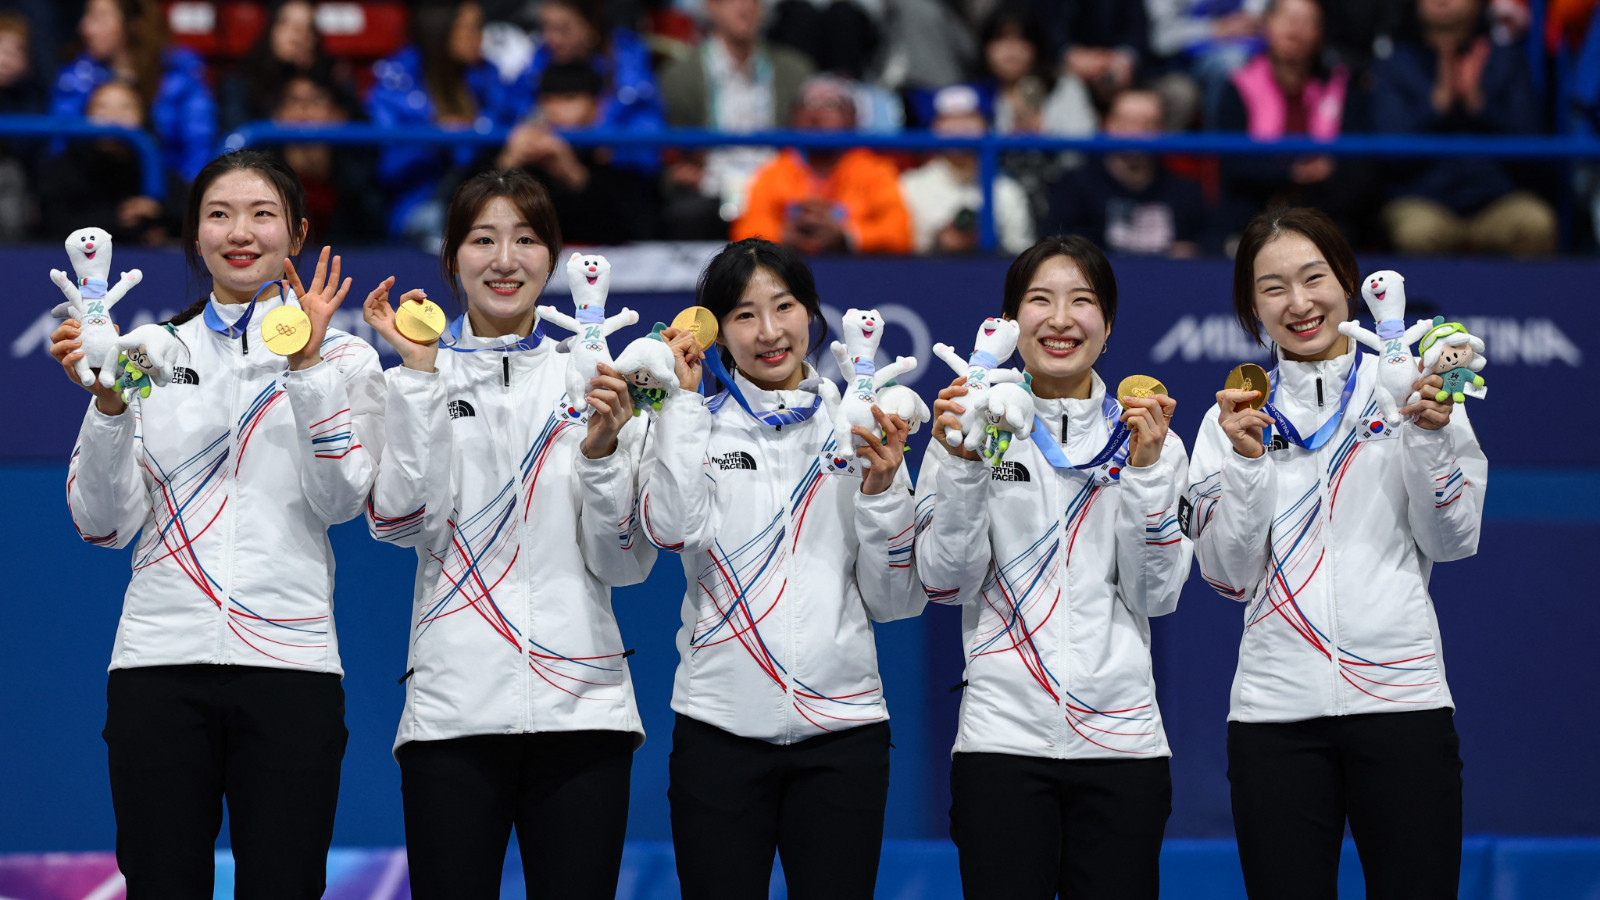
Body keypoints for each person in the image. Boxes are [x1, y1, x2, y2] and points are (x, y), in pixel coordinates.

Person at [49, 148, 383, 898]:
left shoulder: (349, 359)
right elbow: (102, 526)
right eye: (219, 214)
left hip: (291, 669)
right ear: (194, 235)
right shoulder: (146, 355)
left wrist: (307, 370)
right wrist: (107, 406)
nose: (241, 232)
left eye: (263, 214)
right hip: (158, 667)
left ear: (296, 234)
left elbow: (341, 503)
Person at [361, 168, 654, 900]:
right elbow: (396, 522)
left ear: (551, 259)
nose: (505, 259)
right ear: (452, 257)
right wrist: (420, 380)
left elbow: (626, 564)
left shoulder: (598, 383)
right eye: (483, 239)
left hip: (584, 712)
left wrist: (603, 453)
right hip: (453, 717)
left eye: (526, 240)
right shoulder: (412, 375)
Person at [1185, 206, 1485, 899]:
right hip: (1276, 716)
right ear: (1250, 307)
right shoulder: (1228, 421)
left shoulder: (1415, 388)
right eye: (1273, 287)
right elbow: (1226, 576)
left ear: (1348, 281)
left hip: (1404, 703)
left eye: (1313, 277)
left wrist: (1430, 437)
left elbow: (1454, 539)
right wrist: (1247, 462)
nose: (1299, 302)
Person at [637, 238, 924, 899]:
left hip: (844, 734)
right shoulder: (692, 424)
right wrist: (679, 406)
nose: (769, 331)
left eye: (784, 306)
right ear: (714, 330)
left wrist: (882, 491)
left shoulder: (860, 426)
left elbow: (897, 600)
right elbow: (673, 531)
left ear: (811, 313)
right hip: (719, 729)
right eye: (743, 314)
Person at [914, 234, 1190, 899]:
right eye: (1039, 301)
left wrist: (1148, 474)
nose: (1061, 319)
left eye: (1082, 301)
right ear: (1009, 326)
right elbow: (945, 580)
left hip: (1122, 745)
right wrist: (960, 464)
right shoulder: (967, 429)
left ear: (1109, 323)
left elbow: (1156, 595)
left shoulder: (1153, 440)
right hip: (1001, 743)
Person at [1371, 0, 1556, 255]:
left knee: (1535, 223)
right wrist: (1436, 107)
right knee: (1417, 232)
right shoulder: (1395, 64)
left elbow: (1532, 142)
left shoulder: (1505, 61)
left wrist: (1480, 107)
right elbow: (1387, 151)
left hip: (1496, 201)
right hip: (1422, 201)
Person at [368, 0, 534, 243]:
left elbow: (515, 118)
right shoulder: (399, 76)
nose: (480, 36)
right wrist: (438, 136)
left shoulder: (487, 75)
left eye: (481, 26)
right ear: (442, 29)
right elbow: (388, 165)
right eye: (471, 27)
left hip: (483, 193)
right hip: (422, 200)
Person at [1213, 0, 1376, 244]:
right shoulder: (1240, 84)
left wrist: (1328, 169)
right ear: (1266, 25)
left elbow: (1360, 159)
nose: (1295, 28)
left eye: (1307, 21)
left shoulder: (1342, 86)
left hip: (1327, 212)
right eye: (1286, 18)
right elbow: (1232, 162)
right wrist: (1290, 173)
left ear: (1320, 34)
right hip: (1254, 211)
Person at [657, 0, 814, 238]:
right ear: (710, 7)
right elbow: (670, 151)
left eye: (755, 1)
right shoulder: (678, 75)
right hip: (709, 188)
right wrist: (679, 170)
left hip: (779, 187)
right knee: (686, 213)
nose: (746, 7)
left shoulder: (796, 71)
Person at [732, 75, 912, 254]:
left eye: (830, 105)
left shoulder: (875, 171)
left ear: (852, 118)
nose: (816, 115)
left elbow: (900, 234)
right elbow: (744, 231)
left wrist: (845, 235)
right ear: (794, 117)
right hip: (788, 272)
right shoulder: (773, 171)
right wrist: (782, 236)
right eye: (807, 105)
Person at [51, 0, 215, 182]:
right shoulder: (75, 77)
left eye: (99, 18)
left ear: (132, 23)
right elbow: (61, 146)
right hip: (93, 193)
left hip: (168, 193)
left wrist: (172, 200)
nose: (85, 28)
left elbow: (198, 148)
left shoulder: (179, 74)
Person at [496, 61, 657, 242]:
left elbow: (633, 232)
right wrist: (507, 164)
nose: (554, 108)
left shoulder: (617, 158)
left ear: (596, 106)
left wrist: (574, 176)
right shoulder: (520, 153)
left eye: (569, 98)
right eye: (547, 99)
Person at [1044, 88, 1208, 257]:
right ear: (1108, 124)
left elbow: (1209, 245)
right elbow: (1064, 252)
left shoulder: (1185, 191)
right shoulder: (1075, 187)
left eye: (1148, 124)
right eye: (1127, 122)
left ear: (1162, 129)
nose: (1137, 133)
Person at [37, 79, 184, 244]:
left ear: (143, 117)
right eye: (102, 107)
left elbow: (191, 210)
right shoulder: (62, 170)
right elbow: (55, 223)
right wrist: (117, 220)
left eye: (126, 107)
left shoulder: (153, 166)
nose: (114, 116)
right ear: (86, 115)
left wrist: (158, 211)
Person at [898, 84, 1035, 255]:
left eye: (969, 117)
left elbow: (1022, 255)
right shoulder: (910, 186)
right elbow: (903, 255)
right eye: (948, 118)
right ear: (933, 126)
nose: (959, 127)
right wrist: (939, 243)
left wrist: (989, 245)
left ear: (986, 125)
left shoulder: (1006, 190)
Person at [216, 0, 361, 135]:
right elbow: (236, 145)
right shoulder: (240, 83)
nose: (299, 34)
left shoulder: (332, 80)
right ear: (271, 29)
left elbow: (363, 140)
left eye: (308, 27)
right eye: (287, 23)